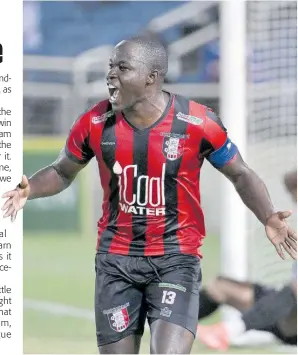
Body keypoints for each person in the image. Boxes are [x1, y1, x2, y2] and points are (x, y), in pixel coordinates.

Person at [2, 36, 297, 354]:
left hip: (176, 259)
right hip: (116, 263)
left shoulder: (197, 123)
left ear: (151, 77)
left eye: (122, 67)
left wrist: (267, 215)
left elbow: (240, 172)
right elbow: (62, 171)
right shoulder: (95, 122)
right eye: (110, 67)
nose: (111, 75)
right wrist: (29, 189)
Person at [196, 169, 297, 351]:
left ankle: (226, 332)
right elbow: (290, 179)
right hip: (280, 309)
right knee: (221, 287)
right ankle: (170, 322)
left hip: (292, 320)